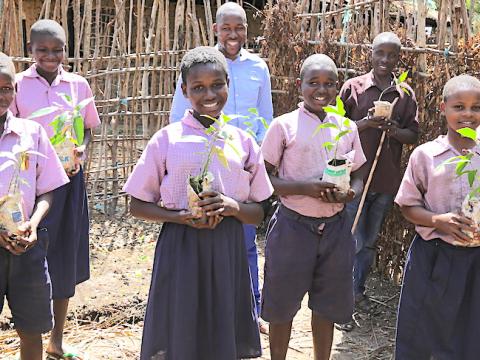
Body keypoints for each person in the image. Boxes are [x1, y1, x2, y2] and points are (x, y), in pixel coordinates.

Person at [124, 46, 273, 359]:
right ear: (184, 91)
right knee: (183, 328)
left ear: (228, 85)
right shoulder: (167, 140)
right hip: (181, 247)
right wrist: (180, 216)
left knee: (222, 330)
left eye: (217, 85)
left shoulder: (241, 141)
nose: (209, 94)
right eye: (198, 87)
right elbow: (136, 205)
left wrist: (231, 206)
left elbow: (259, 211)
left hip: (227, 247)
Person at [170, 2, 273, 332]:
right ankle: (202, 311)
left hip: (240, 162)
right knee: (204, 234)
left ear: (246, 29)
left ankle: (250, 311)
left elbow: (265, 118)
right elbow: (178, 116)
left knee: (244, 240)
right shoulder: (200, 65)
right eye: (226, 28)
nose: (233, 34)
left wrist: (251, 160)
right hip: (204, 163)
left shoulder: (259, 67)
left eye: (239, 27)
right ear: (216, 29)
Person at [260, 54, 367, 360]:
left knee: (327, 306)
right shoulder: (283, 126)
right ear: (300, 86)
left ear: (337, 88)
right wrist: (305, 188)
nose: (321, 90)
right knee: (281, 307)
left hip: (334, 229)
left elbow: (358, 172)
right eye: (313, 83)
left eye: (329, 84)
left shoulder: (346, 128)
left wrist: (350, 193)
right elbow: (264, 178)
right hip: (293, 226)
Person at [11, 19, 101, 360]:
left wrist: (81, 149)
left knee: (64, 255)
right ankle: (29, 337)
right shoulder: (18, 85)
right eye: (42, 50)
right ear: (30, 51)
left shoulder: (78, 85)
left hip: (68, 182)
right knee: (28, 257)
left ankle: (57, 341)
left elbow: (89, 127)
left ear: (67, 50)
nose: (51, 56)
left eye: (58, 50)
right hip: (30, 188)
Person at [394, 75, 480, 359]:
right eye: (459, 106)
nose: (467, 114)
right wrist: (438, 220)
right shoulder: (426, 156)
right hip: (433, 259)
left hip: (475, 261)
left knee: (469, 335)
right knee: (423, 334)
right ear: (443, 109)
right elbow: (408, 206)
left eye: (476, 107)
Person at [339, 32, 418, 320]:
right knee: (350, 239)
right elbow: (336, 130)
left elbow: (413, 134)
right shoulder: (354, 88)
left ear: (399, 58)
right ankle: (341, 298)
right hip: (355, 179)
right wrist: (365, 123)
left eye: (392, 55)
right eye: (379, 53)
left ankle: (357, 291)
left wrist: (391, 129)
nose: (385, 60)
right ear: (370, 54)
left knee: (369, 242)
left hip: (384, 181)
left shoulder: (404, 94)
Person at [0, 52, 69, 360]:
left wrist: (33, 222)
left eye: (6, 88)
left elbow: (47, 190)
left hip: (26, 247)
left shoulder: (32, 133)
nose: (1, 95)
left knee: (32, 330)